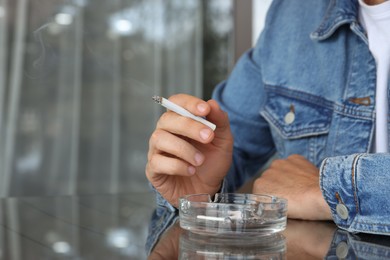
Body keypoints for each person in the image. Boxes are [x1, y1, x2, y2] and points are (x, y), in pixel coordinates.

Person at [145, 0, 390, 254]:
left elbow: (323, 191)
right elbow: (226, 143)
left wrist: (327, 190)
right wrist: (196, 181)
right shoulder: (292, 15)